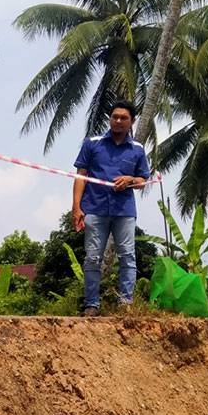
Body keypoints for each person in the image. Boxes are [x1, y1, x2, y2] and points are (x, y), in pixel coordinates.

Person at [71, 100, 150, 317]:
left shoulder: (137, 149)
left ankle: (125, 304)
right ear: (110, 118)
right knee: (92, 257)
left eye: (124, 118)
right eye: (115, 116)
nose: (118, 121)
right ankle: (91, 305)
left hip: (124, 211)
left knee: (127, 256)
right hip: (94, 209)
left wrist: (131, 179)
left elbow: (143, 180)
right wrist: (76, 208)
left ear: (132, 122)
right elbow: (81, 176)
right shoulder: (92, 143)